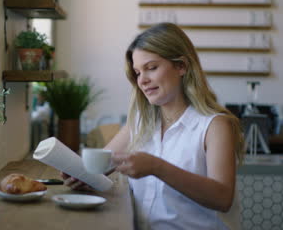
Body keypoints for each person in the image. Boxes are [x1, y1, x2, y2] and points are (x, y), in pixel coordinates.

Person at [62, 23, 244, 229]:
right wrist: (80, 176)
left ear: (181, 66)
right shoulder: (140, 122)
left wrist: (156, 167)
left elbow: (222, 198)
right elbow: (100, 166)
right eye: (138, 73)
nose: (143, 81)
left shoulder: (215, 125)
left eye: (151, 68)